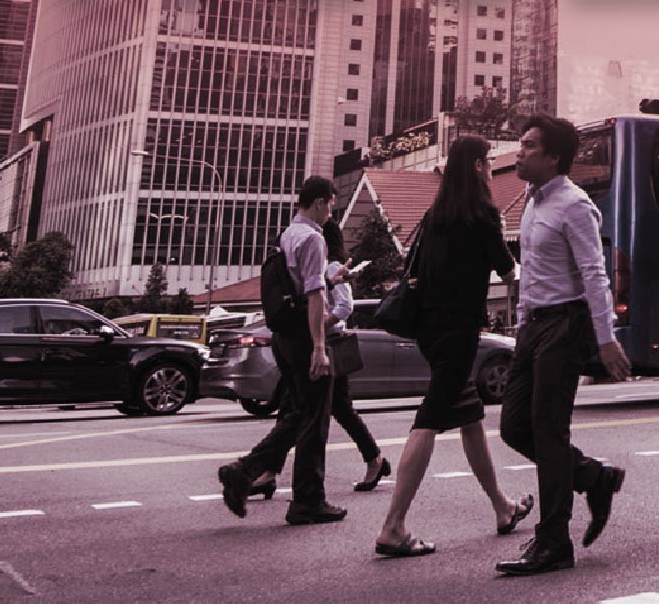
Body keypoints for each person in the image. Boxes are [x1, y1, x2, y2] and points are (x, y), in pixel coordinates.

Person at [374, 135, 533, 559]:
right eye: (486, 163)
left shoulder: (435, 213)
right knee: (428, 419)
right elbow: (505, 267)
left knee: (470, 417)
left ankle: (502, 507)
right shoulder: (481, 214)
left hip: (428, 327)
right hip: (458, 329)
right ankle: (393, 526)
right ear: (480, 166)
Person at [496, 115, 632, 577]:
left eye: (529, 145)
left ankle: (553, 541)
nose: (519, 152)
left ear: (554, 157)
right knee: (515, 428)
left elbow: (595, 274)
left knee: (549, 431)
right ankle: (594, 477)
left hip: (565, 325)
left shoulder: (574, 205)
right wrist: (520, 328)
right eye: (521, 144)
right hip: (534, 327)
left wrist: (606, 337)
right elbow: (530, 276)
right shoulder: (532, 203)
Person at [217, 177, 347, 525]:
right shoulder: (314, 238)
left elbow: (298, 287)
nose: (331, 214)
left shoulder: (286, 236)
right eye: (332, 205)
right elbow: (315, 295)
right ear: (319, 203)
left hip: (283, 336)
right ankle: (307, 500)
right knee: (315, 418)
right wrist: (320, 347)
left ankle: (244, 471)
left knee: (297, 413)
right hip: (305, 337)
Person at [320, 221, 388, 491]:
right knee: (337, 409)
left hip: (331, 343)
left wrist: (318, 325)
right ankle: (374, 458)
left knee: (329, 409)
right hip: (324, 343)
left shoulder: (333, 267)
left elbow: (345, 307)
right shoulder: (324, 266)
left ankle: (374, 458)